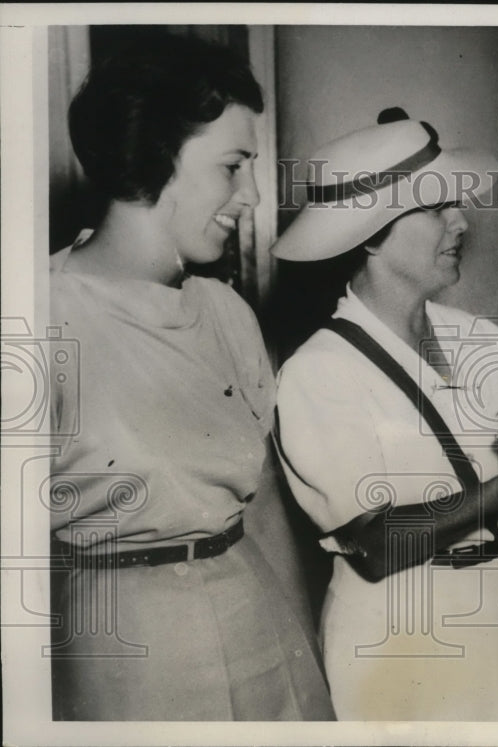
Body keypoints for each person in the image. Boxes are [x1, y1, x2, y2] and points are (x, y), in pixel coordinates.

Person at [48, 34, 335, 720]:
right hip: (122, 653)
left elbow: (264, 508)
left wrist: (310, 671)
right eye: (233, 166)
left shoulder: (226, 311)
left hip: (257, 619)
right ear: (152, 156)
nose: (252, 194)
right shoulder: (39, 315)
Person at [271, 109, 498, 720]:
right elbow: (376, 543)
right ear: (368, 234)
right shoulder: (319, 373)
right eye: (436, 207)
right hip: (399, 642)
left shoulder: (486, 342)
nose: (461, 222)